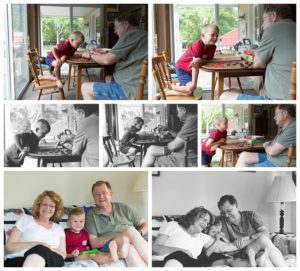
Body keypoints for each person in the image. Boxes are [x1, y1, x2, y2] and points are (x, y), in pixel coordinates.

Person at [220, 5, 295, 100]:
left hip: (282, 99)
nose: (262, 26)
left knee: (224, 96)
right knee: (261, 87)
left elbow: (258, 64)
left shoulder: (272, 29)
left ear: (274, 16)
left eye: (263, 20)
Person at [81, 14, 148, 100]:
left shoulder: (130, 35)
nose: (115, 31)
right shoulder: (143, 34)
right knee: (107, 77)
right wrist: (107, 52)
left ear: (126, 25)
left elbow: (107, 60)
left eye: (116, 27)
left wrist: (90, 55)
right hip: (136, 84)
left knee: (85, 87)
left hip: (130, 89)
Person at [85, 180, 148, 267]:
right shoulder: (90, 215)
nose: (101, 196)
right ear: (93, 197)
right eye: (97, 194)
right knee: (130, 231)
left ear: (110, 194)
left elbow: (145, 223)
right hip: (110, 246)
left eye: (104, 193)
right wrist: (120, 235)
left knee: (130, 248)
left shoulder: (123, 207)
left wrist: (138, 234)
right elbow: (94, 243)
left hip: (128, 244)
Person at [152, 207, 238, 267]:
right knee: (179, 255)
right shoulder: (172, 225)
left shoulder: (203, 237)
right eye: (204, 220)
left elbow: (228, 247)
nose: (205, 224)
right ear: (193, 216)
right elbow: (155, 248)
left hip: (190, 264)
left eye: (207, 223)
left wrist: (251, 238)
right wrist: (182, 251)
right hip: (161, 262)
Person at [217, 195, 287, 267]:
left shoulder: (251, 215)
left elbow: (265, 233)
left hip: (259, 248)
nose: (226, 215)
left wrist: (247, 238)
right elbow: (228, 247)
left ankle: (267, 255)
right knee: (263, 241)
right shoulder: (223, 222)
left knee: (264, 258)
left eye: (229, 210)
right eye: (223, 212)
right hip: (243, 253)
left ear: (236, 205)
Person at [4, 191, 66, 267]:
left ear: (56, 209)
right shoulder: (25, 219)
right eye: (44, 204)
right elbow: (9, 247)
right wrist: (35, 244)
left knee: (44, 251)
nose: (47, 208)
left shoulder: (59, 229)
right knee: (39, 248)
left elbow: (63, 254)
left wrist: (46, 248)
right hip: (21, 259)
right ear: (38, 206)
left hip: (51, 261)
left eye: (52, 206)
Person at [164, 24, 219, 97]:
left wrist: (200, 59)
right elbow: (195, 66)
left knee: (191, 91)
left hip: (189, 70)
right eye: (212, 35)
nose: (215, 38)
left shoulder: (213, 47)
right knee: (191, 91)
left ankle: (174, 89)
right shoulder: (198, 45)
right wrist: (194, 84)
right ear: (203, 36)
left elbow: (208, 60)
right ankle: (172, 88)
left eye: (217, 36)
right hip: (182, 69)